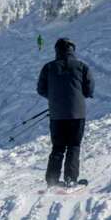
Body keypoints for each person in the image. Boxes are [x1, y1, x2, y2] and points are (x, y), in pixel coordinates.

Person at [37, 37, 93, 187]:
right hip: (77, 114)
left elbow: (41, 89)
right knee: (74, 146)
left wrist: (55, 97)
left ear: (56, 50)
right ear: (72, 50)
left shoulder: (48, 67)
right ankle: (71, 179)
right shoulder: (82, 67)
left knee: (58, 147)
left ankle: (52, 180)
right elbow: (89, 90)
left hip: (57, 115)